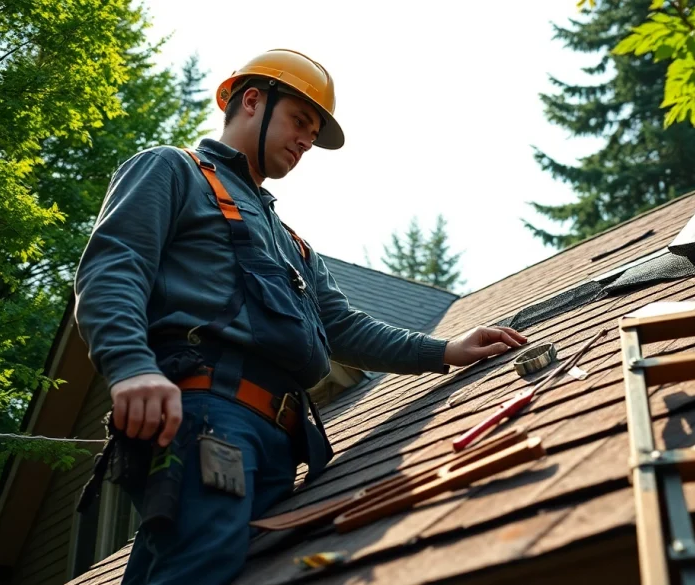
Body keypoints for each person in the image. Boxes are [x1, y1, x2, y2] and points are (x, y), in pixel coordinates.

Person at [73, 48, 527, 585]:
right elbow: (112, 268)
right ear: (251, 101)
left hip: (280, 442)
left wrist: (444, 350)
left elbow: (343, 328)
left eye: (313, 134)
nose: (307, 141)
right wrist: (132, 366)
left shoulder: (293, 245)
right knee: (203, 565)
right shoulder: (173, 170)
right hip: (209, 416)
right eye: (300, 122)